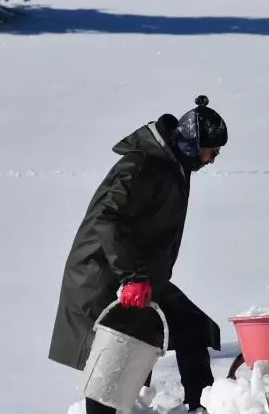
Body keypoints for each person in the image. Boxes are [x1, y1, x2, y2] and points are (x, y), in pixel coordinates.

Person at [49, 96, 227, 414]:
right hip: (104, 276)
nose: (213, 159)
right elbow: (107, 220)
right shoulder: (142, 166)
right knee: (114, 356)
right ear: (193, 143)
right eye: (212, 150)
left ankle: (198, 407)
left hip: (140, 276)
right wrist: (132, 276)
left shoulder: (173, 165)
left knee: (191, 325)